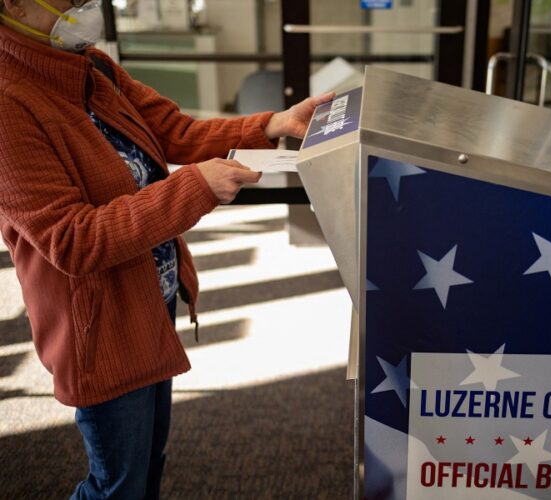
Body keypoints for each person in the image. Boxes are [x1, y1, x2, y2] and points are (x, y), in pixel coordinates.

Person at [0, 0, 333, 497]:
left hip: (152, 303)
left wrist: (273, 124)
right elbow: (71, 240)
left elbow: (174, 131)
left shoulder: (90, 65)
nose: (85, 6)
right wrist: (194, 187)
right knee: (117, 484)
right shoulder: (9, 103)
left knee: (146, 464)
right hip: (101, 327)